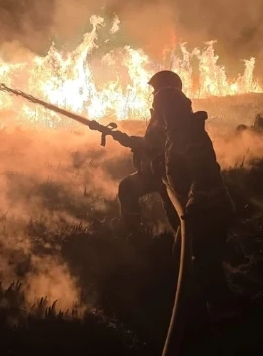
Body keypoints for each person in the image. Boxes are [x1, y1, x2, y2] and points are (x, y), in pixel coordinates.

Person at [103, 70, 241, 319]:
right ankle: (214, 306)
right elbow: (156, 148)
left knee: (193, 259)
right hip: (189, 206)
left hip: (207, 211)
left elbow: (204, 172)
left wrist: (194, 201)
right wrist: (126, 141)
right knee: (196, 259)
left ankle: (206, 314)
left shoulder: (190, 137)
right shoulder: (174, 134)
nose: (156, 107)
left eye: (160, 104)